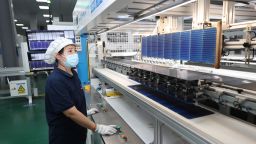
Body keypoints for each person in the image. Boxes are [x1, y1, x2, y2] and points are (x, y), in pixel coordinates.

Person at [44, 37, 117, 144]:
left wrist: (83, 112)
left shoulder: (73, 73)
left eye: (75, 51)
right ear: (58, 56)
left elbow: (70, 101)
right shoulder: (55, 80)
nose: (74, 54)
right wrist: (97, 127)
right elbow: (70, 112)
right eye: (70, 51)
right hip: (64, 137)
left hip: (77, 132)